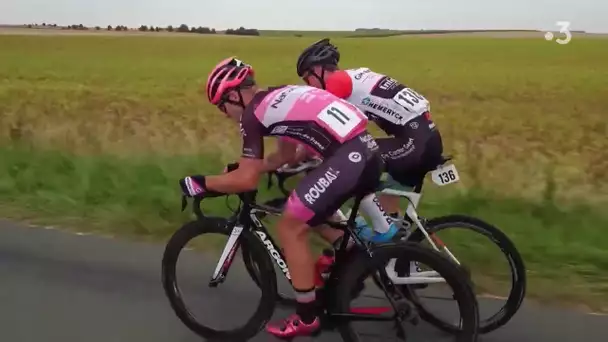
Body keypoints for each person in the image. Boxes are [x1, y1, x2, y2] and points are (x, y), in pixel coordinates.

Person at [178, 57, 396, 338]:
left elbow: (247, 180)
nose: (224, 113)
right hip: (366, 151)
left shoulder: (251, 115)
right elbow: (286, 156)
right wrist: (254, 166)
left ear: (233, 96)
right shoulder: (277, 96)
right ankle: (351, 258)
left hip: (348, 158)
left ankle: (306, 316)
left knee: (290, 225)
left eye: (222, 106)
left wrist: (198, 183)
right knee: (305, 205)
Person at [295, 38, 445, 220]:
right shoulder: (354, 77)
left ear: (318, 70)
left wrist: (294, 157)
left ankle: (366, 233)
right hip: (427, 138)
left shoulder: (336, 82)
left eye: (307, 78)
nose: (308, 85)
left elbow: (316, 126)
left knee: (347, 166)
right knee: (385, 207)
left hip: (414, 144)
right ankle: (396, 246)